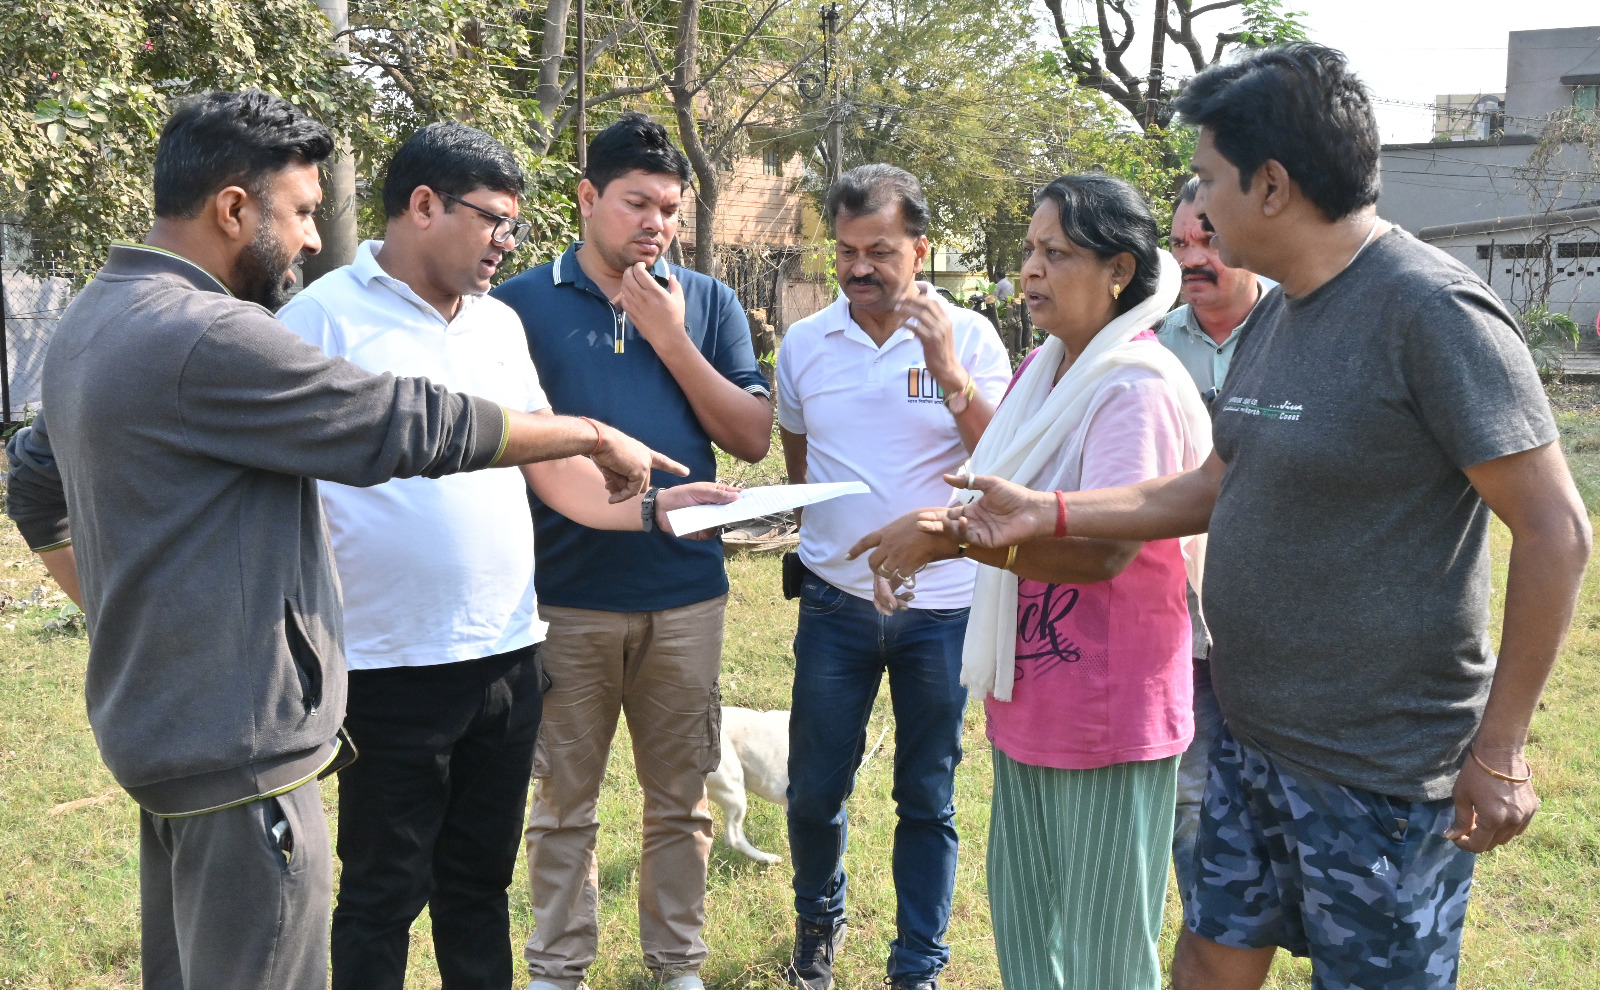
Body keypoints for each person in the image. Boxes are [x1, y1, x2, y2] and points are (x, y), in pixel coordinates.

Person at [926, 44, 1591, 990]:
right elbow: (1208, 485)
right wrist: (1047, 507)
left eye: (1207, 178)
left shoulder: (1433, 312)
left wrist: (1503, 747)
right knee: (1207, 959)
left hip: (1383, 768)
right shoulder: (1284, 316)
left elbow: (1558, 529)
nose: (1194, 210)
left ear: (1271, 184)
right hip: (1252, 735)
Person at [2, 91, 680, 990]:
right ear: (234, 209)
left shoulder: (102, 311)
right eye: (303, 212)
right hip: (249, 741)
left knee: (452, 893)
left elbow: (33, 477)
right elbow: (393, 425)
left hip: (205, 730)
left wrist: (118, 608)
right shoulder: (218, 332)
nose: (315, 236)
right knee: (335, 925)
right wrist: (591, 431)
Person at [276, 123, 736, 990]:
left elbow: (557, 472)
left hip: (506, 653)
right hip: (387, 661)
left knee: (478, 889)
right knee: (382, 891)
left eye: (515, 226)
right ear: (423, 206)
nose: (508, 244)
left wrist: (652, 510)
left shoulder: (495, 325)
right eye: (493, 221)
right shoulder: (323, 317)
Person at [851, 173, 1211, 990]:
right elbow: (995, 492)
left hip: (1108, 708)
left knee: (1103, 956)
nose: (1030, 271)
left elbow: (1100, 552)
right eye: (1028, 251)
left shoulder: (1134, 386)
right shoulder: (1045, 372)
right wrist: (936, 537)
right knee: (1027, 940)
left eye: (1055, 253)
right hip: (1031, 698)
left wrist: (947, 541)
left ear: (1119, 270)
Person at [492, 112, 773, 990]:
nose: (655, 223)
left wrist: (671, 336)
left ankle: (678, 966)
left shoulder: (709, 300)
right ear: (587, 198)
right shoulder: (521, 305)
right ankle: (556, 968)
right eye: (636, 203)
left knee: (680, 796)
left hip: (686, 593)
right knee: (562, 802)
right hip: (563, 595)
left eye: (669, 209)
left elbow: (754, 437)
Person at [775, 164, 1010, 990]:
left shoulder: (974, 337)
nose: (858, 268)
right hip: (836, 605)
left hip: (944, 611)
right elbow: (798, 457)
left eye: (879, 250)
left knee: (928, 796)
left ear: (920, 247)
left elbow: (1002, 465)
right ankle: (818, 913)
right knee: (812, 791)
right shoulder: (805, 343)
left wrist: (946, 366)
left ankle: (918, 962)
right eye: (844, 251)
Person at [1155, 174, 1267, 914]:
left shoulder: (1299, 333)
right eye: (1179, 244)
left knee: (1276, 793)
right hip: (1186, 616)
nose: (1194, 257)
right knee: (1190, 798)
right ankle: (1208, 930)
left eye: (1209, 238)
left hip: (1279, 621)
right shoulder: (1151, 350)